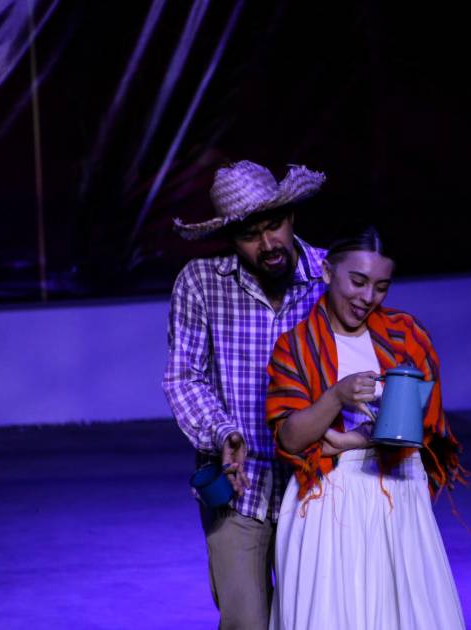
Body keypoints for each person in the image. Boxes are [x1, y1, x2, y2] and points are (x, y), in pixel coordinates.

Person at [266, 227, 468, 630]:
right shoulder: (297, 346)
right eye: (357, 282)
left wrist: (342, 440)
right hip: (328, 501)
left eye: (380, 287)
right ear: (328, 272)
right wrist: (336, 397)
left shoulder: (406, 336)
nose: (367, 297)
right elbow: (291, 438)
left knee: (403, 614)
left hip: (399, 493)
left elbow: (417, 429)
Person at [163, 160, 328, 629]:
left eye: (273, 226)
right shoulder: (201, 282)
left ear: (291, 216)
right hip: (239, 488)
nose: (267, 243)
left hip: (315, 486)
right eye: (249, 235)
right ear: (230, 239)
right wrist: (223, 432)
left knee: (313, 619)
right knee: (246, 622)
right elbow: (184, 377)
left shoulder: (330, 277)